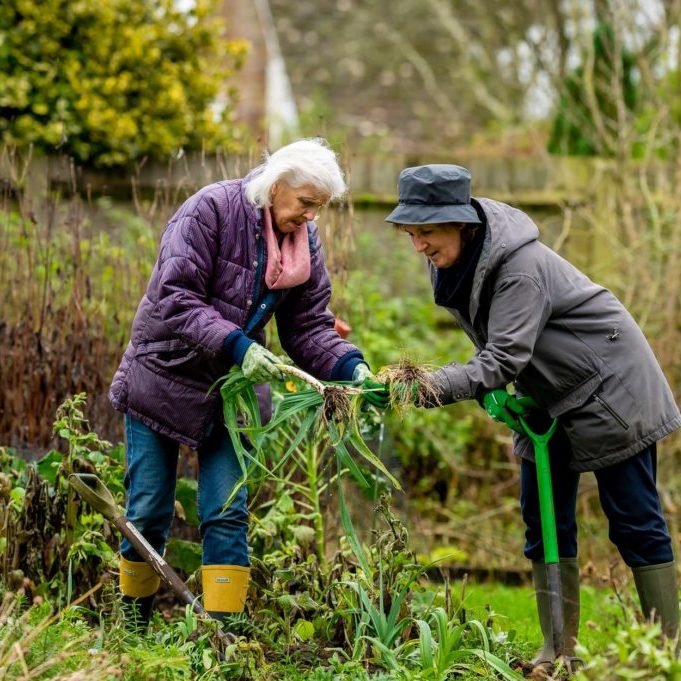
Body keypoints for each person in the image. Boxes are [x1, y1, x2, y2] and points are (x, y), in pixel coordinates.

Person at [366, 164, 680, 667]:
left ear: (459, 223)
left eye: (426, 232)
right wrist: (490, 393)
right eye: (411, 233)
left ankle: (667, 653)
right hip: (549, 397)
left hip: (612, 390)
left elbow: (502, 357)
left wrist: (426, 385)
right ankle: (558, 652)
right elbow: (495, 348)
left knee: (634, 522)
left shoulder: (520, 267)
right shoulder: (454, 262)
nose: (417, 245)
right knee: (543, 520)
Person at [108, 138, 375, 626]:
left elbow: (309, 327)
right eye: (306, 204)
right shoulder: (209, 210)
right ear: (276, 187)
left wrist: (350, 366)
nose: (312, 218)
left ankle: (222, 637)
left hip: (233, 391)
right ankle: (132, 625)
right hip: (164, 374)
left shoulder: (302, 242)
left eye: (319, 208)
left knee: (226, 512)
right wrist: (239, 345)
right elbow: (175, 295)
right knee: (148, 508)